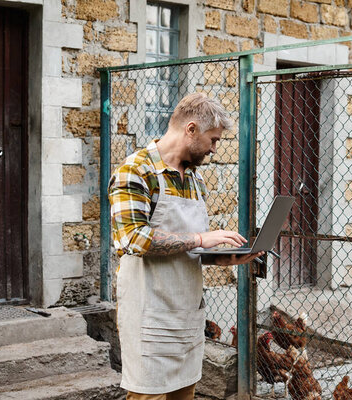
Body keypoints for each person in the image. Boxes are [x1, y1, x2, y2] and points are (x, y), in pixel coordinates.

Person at [108, 93, 262, 400]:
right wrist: (202, 240)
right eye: (213, 140)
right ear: (190, 130)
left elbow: (187, 248)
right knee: (147, 395)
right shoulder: (135, 171)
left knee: (185, 395)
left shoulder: (194, 178)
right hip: (149, 313)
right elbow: (133, 239)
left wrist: (224, 259)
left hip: (187, 313)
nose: (214, 149)